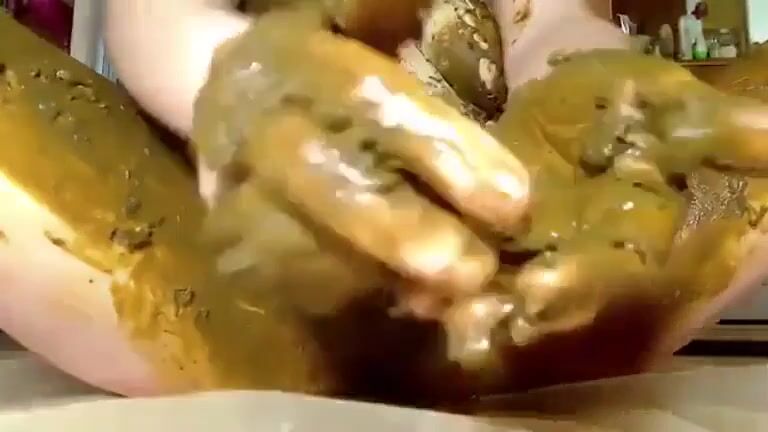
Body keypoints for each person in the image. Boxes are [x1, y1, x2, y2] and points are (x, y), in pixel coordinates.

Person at [0, 0, 765, 397]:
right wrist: (231, 84)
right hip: (229, 262)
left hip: (519, 246)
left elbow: (558, 23)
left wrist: (589, 105)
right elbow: (158, 19)